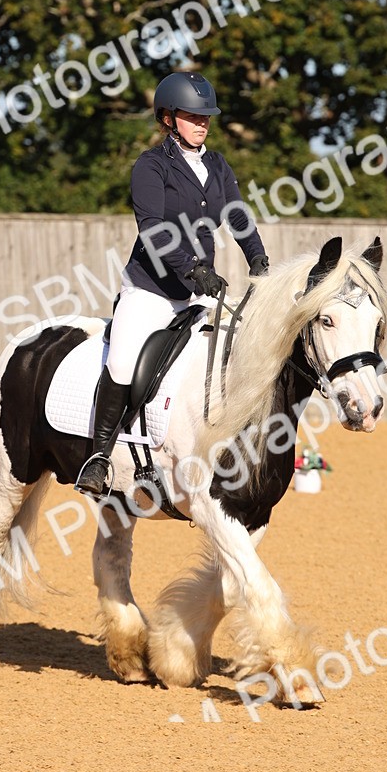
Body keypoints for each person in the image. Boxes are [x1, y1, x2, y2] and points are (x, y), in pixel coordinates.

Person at [75, 70, 269, 497]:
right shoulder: (151, 165)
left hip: (199, 295)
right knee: (123, 362)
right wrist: (193, 269)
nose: (202, 123)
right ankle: (100, 455)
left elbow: (237, 215)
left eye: (206, 117)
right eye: (191, 116)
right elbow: (153, 229)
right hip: (151, 291)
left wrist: (256, 257)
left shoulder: (217, 165)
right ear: (167, 117)